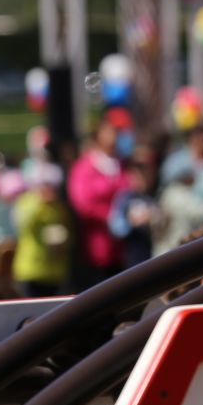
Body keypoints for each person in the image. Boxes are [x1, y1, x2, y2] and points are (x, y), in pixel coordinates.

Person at [68, 118, 130, 289]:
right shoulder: (85, 167)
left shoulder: (122, 165)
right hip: (97, 249)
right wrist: (113, 216)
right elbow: (83, 204)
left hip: (123, 249)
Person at [13, 162, 72, 297]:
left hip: (54, 272)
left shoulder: (59, 207)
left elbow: (68, 232)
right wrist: (39, 203)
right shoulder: (27, 202)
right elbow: (23, 225)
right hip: (30, 270)